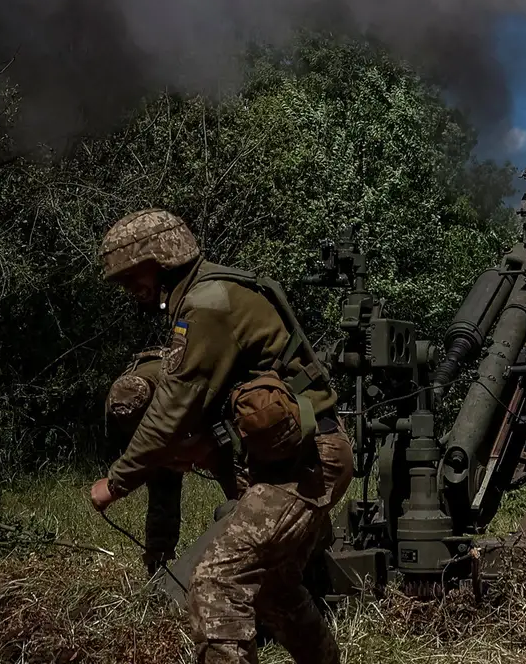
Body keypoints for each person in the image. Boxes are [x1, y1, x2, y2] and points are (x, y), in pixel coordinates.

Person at [88, 208, 354, 664]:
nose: (129, 288)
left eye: (131, 275)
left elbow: (174, 404)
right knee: (274, 589)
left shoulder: (208, 303)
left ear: (160, 258)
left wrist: (114, 483)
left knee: (214, 583)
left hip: (307, 460)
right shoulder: (207, 293)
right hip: (301, 457)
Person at [103, 346, 242, 576]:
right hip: (169, 430)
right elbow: (136, 448)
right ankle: (158, 566)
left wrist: (199, 447)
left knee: (242, 488)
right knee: (162, 488)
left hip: (211, 420)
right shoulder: (119, 402)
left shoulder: (183, 381)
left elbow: (225, 416)